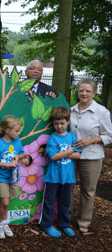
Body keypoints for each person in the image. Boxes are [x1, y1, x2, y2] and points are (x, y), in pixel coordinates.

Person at [69, 78, 112, 233]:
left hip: (92, 156)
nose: (84, 93)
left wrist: (91, 140)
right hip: (71, 156)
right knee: (68, 186)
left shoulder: (101, 112)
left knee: (88, 190)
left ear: (94, 93)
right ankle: (65, 217)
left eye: (88, 91)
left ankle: (84, 221)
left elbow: (109, 136)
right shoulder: (71, 110)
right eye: (81, 90)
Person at [39, 107, 81, 238]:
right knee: (49, 202)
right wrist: (68, 152)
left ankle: (65, 224)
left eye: (62, 123)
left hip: (67, 177)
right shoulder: (53, 138)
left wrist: (62, 154)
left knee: (65, 202)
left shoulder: (72, 137)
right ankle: (46, 224)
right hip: (53, 177)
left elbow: (78, 155)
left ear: (68, 122)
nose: (59, 126)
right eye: (56, 124)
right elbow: (52, 156)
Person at [0, 115, 29, 239]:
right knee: (4, 202)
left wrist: (18, 157)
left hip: (13, 176)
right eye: (16, 131)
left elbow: (22, 153)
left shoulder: (18, 141)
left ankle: (5, 222)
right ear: (7, 130)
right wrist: (7, 164)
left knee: (8, 201)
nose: (18, 133)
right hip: (1, 178)